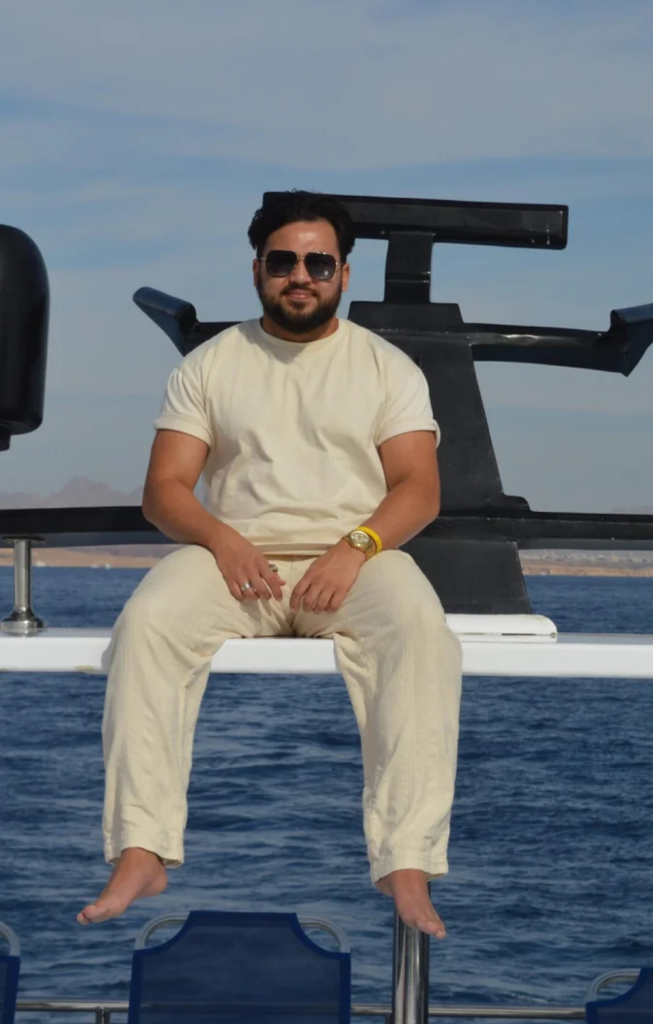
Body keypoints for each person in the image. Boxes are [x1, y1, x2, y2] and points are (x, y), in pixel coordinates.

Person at [77, 190, 462, 939]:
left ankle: (406, 859)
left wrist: (355, 547)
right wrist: (222, 540)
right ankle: (141, 849)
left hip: (356, 562)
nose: (300, 276)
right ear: (258, 270)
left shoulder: (387, 368)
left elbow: (419, 489)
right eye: (283, 261)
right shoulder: (211, 365)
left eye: (319, 263)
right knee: (148, 624)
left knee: (420, 632)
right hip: (237, 561)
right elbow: (165, 490)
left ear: (344, 274)